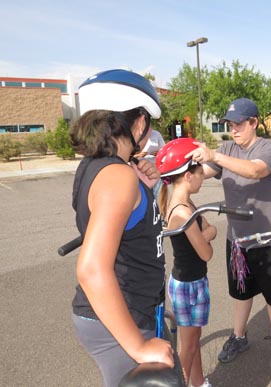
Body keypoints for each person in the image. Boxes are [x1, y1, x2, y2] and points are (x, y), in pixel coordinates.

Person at [70, 69, 174, 387]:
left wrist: (153, 188)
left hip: (132, 308)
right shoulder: (118, 176)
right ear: (139, 122)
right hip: (123, 316)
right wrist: (138, 346)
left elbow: (140, 227)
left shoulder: (99, 167)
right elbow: (91, 269)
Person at [186, 98, 271, 370]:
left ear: (254, 123)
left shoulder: (269, 148)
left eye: (239, 123)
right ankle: (239, 337)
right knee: (240, 293)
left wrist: (215, 156)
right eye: (230, 124)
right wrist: (175, 170)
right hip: (238, 239)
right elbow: (203, 171)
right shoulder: (227, 148)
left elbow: (255, 170)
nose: (234, 129)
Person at [156, 138, 217, 387]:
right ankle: (179, 384)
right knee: (188, 347)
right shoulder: (182, 212)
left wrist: (207, 232)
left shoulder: (186, 203)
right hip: (188, 285)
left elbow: (207, 231)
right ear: (188, 176)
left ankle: (199, 382)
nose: (203, 178)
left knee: (194, 339)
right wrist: (208, 232)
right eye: (200, 173)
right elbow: (206, 253)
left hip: (193, 280)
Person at [135, 129, 166, 198]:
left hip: (154, 169)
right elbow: (128, 155)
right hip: (139, 170)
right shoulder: (135, 133)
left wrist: (158, 153)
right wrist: (138, 155)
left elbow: (164, 151)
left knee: (157, 195)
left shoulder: (156, 134)